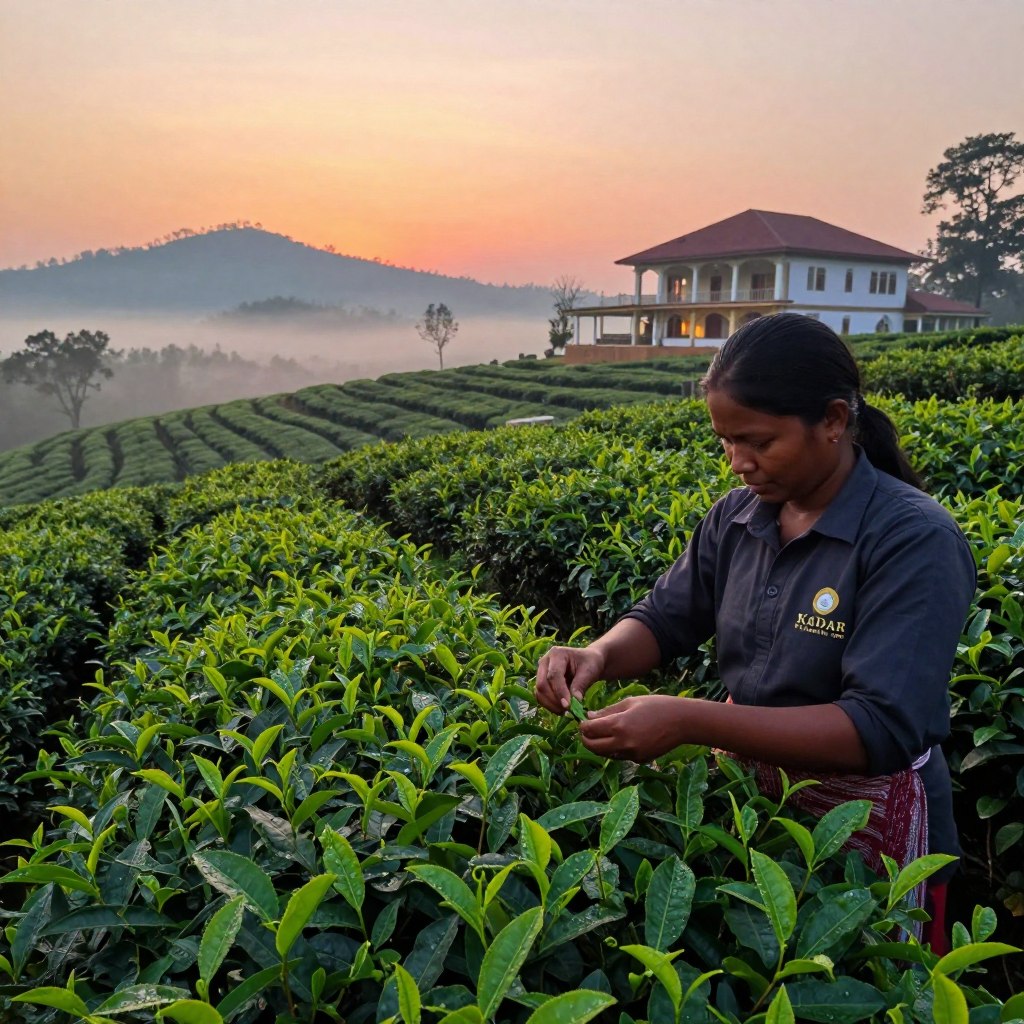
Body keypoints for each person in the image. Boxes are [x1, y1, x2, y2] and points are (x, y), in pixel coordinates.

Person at [535, 312, 976, 951]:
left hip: (870, 823)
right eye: (725, 442)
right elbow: (666, 617)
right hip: (754, 806)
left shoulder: (912, 538)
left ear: (831, 420)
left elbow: (878, 726)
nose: (738, 463)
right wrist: (597, 655)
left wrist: (689, 720)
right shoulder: (739, 516)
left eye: (759, 442)